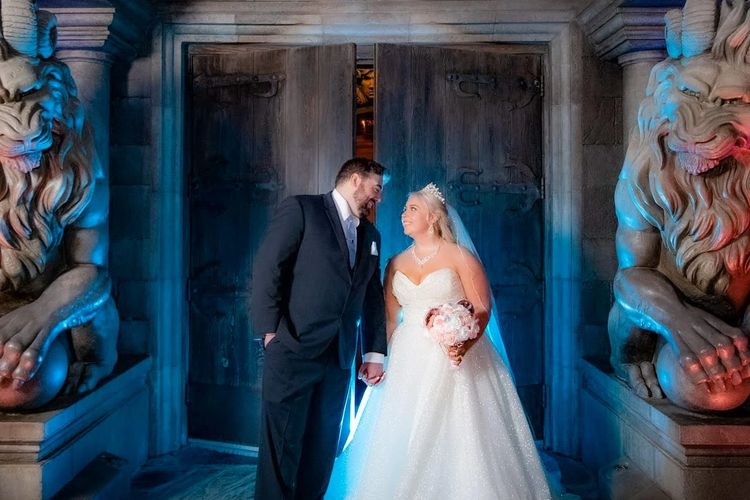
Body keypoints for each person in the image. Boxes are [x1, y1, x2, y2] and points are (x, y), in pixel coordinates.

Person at [326, 183, 551, 500]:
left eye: (412, 209)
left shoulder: (460, 257)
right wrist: (378, 358)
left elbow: (482, 308)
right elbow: (389, 319)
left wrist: (461, 345)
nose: (404, 214)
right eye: (404, 209)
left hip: (457, 358)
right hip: (407, 358)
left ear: (432, 217)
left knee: (461, 434)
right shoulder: (395, 264)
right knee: (402, 432)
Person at [251, 158, 389, 499]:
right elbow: (269, 269)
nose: (378, 199)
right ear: (355, 180)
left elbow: (372, 298)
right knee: (281, 449)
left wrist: (373, 352)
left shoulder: (371, 235)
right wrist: (270, 334)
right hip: (292, 349)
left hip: (339, 359)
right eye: (376, 189)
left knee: (323, 448)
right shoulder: (302, 209)